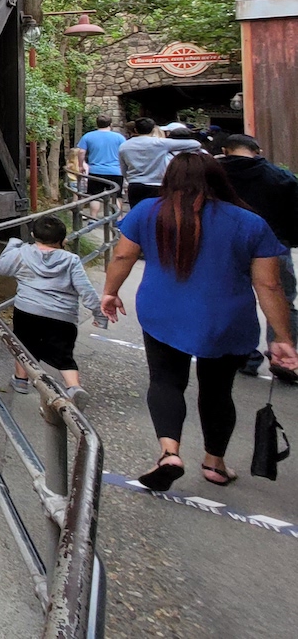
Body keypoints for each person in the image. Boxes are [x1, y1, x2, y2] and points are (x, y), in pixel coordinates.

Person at [101, 152, 298, 490]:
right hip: (227, 320)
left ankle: (169, 454)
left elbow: (123, 254)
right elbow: (269, 284)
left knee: (165, 381)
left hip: (162, 313)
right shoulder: (250, 222)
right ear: (219, 178)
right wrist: (282, 336)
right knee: (218, 391)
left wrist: (110, 291)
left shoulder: (147, 211)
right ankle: (214, 463)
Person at [0, 214, 107, 401]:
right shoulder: (71, 260)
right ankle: (74, 388)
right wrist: (99, 314)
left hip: (27, 310)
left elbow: (2, 268)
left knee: (24, 346)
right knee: (63, 354)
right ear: (63, 240)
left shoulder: (22, 253)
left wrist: (12, 244)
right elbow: (86, 289)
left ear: (32, 234)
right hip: (63, 316)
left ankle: (21, 380)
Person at [218, 134, 298, 383]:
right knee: (282, 300)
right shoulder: (281, 177)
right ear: (258, 150)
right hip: (275, 247)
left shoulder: (215, 176)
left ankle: (246, 356)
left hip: (227, 247)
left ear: (225, 150)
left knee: (233, 299)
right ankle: (284, 357)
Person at [119, 117, 203, 207]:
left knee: (136, 213)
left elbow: (123, 168)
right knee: (156, 213)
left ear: (135, 129)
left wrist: (129, 179)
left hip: (135, 184)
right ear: (153, 129)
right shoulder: (160, 143)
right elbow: (195, 144)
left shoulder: (124, 145)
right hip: (157, 184)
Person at [71, 115, 127, 214]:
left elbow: (81, 152)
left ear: (97, 124)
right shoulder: (119, 137)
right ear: (110, 124)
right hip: (115, 171)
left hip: (96, 171)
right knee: (116, 196)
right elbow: (125, 152)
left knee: (95, 195)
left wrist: (80, 166)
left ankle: (93, 218)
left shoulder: (88, 136)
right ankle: (117, 218)